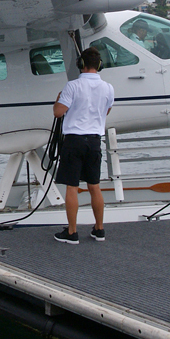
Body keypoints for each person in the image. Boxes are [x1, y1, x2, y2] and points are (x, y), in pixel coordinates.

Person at [52, 46, 115, 245]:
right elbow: (105, 111)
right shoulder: (108, 88)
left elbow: (58, 112)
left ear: (81, 65)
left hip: (74, 140)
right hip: (95, 141)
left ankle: (72, 232)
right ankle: (99, 229)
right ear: (99, 66)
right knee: (94, 186)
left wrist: (57, 101)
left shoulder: (72, 86)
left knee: (72, 187)